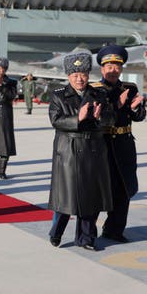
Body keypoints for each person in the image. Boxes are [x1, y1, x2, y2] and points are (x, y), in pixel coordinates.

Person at [47, 52, 113, 250]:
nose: (80, 78)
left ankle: (86, 238)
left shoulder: (98, 95)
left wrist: (101, 118)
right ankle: (56, 232)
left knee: (90, 199)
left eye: (83, 74)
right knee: (65, 199)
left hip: (93, 150)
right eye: (75, 74)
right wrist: (79, 118)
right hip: (68, 151)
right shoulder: (59, 95)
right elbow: (56, 121)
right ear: (68, 76)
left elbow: (110, 120)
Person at [92, 45, 146, 243]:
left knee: (125, 188)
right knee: (100, 189)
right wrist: (118, 106)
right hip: (103, 145)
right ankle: (87, 231)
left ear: (122, 68)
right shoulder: (95, 90)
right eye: (109, 66)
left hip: (124, 144)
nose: (113, 70)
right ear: (102, 69)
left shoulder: (130, 88)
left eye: (117, 66)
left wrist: (135, 109)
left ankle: (114, 229)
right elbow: (101, 118)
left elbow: (139, 116)